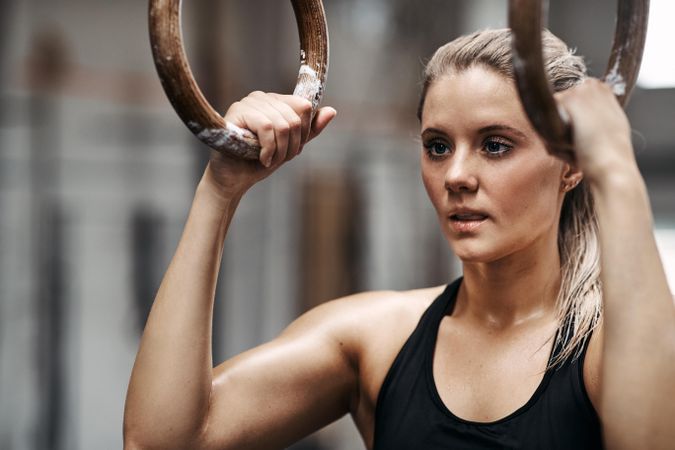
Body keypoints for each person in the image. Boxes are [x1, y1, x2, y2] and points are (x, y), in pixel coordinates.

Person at [123, 29, 674, 449]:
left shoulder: (605, 348)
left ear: (569, 165)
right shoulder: (376, 341)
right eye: (437, 146)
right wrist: (220, 188)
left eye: (496, 145)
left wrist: (616, 169)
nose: (457, 175)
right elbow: (162, 441)